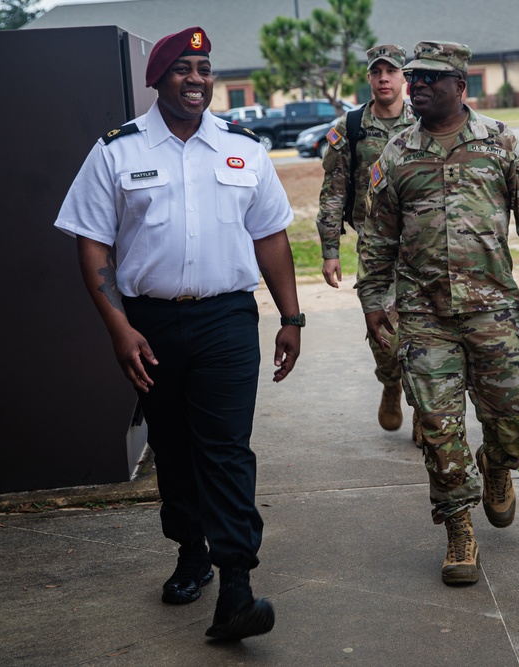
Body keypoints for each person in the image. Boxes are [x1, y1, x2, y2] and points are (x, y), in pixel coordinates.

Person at [54, 26, 304, 639]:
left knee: (225, 448)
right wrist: (118, 326)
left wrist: (291, 317)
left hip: (226, 319)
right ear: (157, 79)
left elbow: (271, 237)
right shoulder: (117, 151)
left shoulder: (242, 148)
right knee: (173, 445)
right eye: (182, 70)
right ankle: (191, 551)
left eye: (205, 68)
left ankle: (237, 586)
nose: (197, 80)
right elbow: (93, 244)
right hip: (151, 322)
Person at [356, 41, 519, 585]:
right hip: (424, 314)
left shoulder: (500, 145)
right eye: (414, 76)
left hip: (493, 309)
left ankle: (498, 466)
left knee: (513, 418)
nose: (419, 84)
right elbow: (377, 240)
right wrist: (373, 300)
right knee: (437, 424)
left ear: (462, 85)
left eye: (432, 77)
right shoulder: (397, 156)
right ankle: (458, 530)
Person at [315, 44, 419, 440]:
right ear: (369, 77)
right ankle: (390, 382)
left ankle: (425, 414)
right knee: (384, 335)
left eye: (391, 72)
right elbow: (333, 192)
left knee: (425, 333)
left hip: (422, 246)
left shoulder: (424, 121)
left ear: (404, 78)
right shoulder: (351, 127)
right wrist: (329, 250)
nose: (383, 79)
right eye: (376, 72)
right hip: (376, 249)